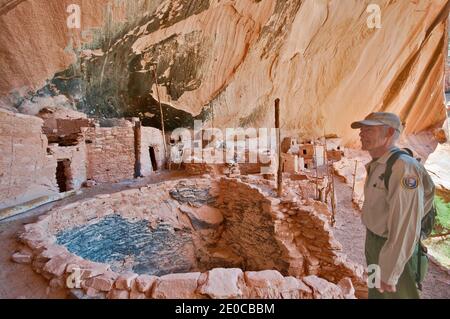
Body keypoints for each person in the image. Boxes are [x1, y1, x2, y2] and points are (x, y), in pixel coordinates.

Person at [351, 112, 435, 299]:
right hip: (373, 243)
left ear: (389, 132)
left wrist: (390, 272)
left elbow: (406, 224)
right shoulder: (379, 164)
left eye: (369, 129)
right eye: (362, 129)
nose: (361, 134)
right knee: (376, 293)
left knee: (398, 295)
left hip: (394, 249)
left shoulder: (403, 168)